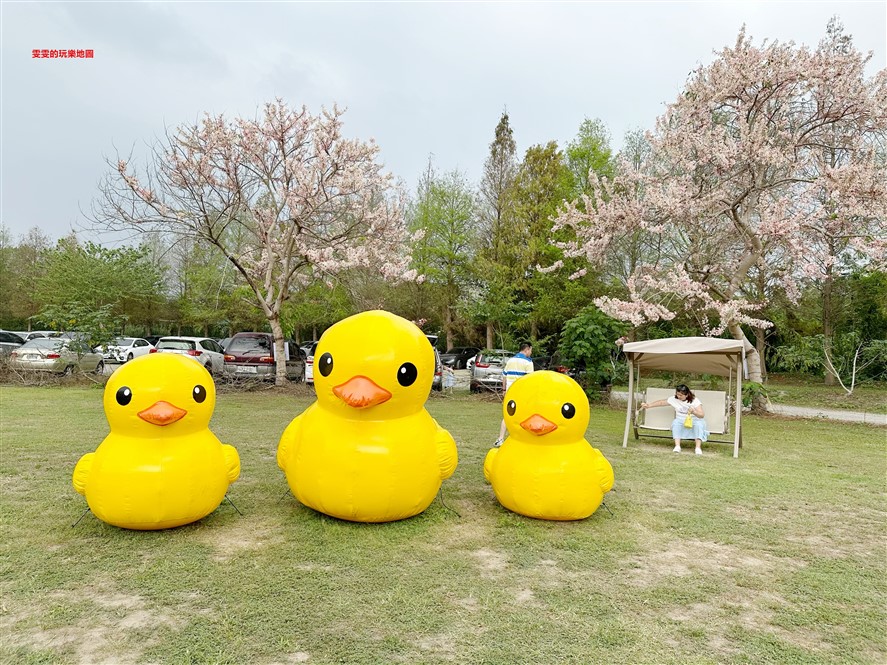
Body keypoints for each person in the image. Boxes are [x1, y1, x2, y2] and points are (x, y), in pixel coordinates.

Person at [640, 384, 708, 455]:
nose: (679, 396)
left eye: (681, 395)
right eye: (677, 394)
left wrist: (694, 412)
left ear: (687, 395)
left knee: (698, 425)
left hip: (694, 420)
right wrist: (649, 405)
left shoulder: (694, 401)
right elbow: (661, 402)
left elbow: (701, 415)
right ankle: (677, 446)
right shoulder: (674, 399)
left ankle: (697, 448)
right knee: (676, 423)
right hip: (680, 420)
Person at [493, 343, 534, 447]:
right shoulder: (528, 362)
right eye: (531, 350)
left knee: (508, 415)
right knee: (524, 415)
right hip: (521, 392)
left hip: (510, 392)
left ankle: (500, 438)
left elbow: (504, 376)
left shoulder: (510, 360)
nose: (531, 353)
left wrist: (503, 390)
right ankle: (522, 438)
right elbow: (530, 380)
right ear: (527, 349)